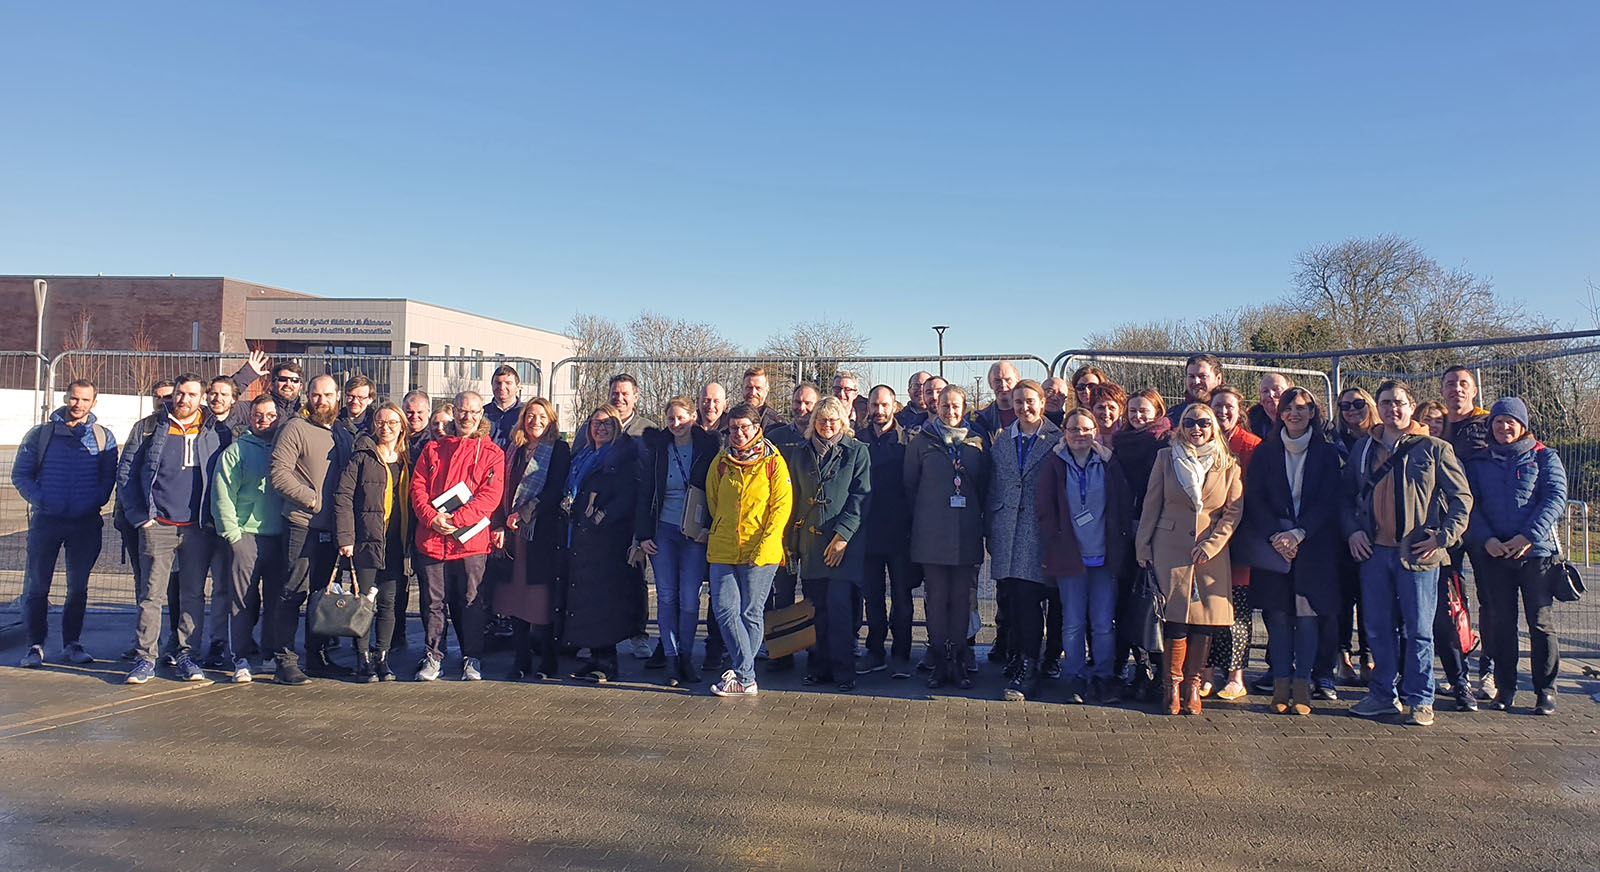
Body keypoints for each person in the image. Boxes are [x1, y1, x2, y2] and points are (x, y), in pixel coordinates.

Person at [1343, 379, 1472, 727]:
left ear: (1411, 406)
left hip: (1418, 555)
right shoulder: (1364, 450)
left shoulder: (1434, 449)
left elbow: (1462, 499)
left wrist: (1443, 537)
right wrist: (1353, 532)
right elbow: (1344, 498)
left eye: (1398, 402)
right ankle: (1383, 695)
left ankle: (1420, 699)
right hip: (1373, 553)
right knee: (1378, 628)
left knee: (1419, 630)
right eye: (1385, 403)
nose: (1392, 409)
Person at [118, 373, 234, 684]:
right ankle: (145, 659)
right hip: (158, 526)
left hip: (197, 528)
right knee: (151, 596)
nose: (184, 400)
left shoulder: (216, 431)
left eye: (192, 395)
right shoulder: (148, 428)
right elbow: (126, 472)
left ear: (202, 399)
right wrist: (139, 515)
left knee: (192, 595)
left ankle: (187, 655)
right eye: (180, 394)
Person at [1238, 387, 1342, 715]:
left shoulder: (1326, 453)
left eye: (1301, 408)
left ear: (1313, 413)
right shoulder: (1266, 453)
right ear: (1279, 414)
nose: (1293, 413)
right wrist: (1276, 535)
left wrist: (1298, 533)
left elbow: (1330, 501)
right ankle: (1280, 688)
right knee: (1278, 617)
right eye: (1288, 408)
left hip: (1313, 547)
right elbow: (1254, 498)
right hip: (1274, 548)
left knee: (1307, 618)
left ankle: (1302, 687)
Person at [1135, 402, 1243, 715]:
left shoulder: (1229, 464)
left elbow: (1232, 513)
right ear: (1182, 426)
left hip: (1209, 554)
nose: (1197, 428)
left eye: (1204, 423)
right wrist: (1143, 547)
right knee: (1175, 622)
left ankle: (1193, 686)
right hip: (1169, 548)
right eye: (1191, 422)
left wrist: (1212, 545)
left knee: (1203, 624)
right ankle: (1172, 687)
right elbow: (1151, 504)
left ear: (1214, 428)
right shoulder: (1166, 458)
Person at [1464, 397, 1566, 715]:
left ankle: (1545, 691)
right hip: (1495, 555)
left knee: (1540, 624)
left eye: (1510, 421)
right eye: (1498, 421)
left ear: (1522, 425)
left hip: (1536, 555)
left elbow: (1555, 498)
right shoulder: (1478, 463)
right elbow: (1470, 504)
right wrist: (1487, 539)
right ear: (1490, 425)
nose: (1504, 427)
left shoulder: (1544, 456)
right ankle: (1505, 688)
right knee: (1502, 623)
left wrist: (1528, 536)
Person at [15, 379, 117, 669]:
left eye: (85, 400)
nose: (78, 405)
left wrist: (95, 501)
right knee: (38, 587)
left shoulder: (102, 437)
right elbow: (21, 475)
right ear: (65, 398)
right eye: (74, 399)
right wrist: (41, 499)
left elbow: (108, 476)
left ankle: (72, 643)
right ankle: (34, 646)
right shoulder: (40, 435)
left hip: (85, 524)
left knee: (78, 588)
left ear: (94, 403)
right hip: (46, 522)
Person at [1037, 408, 1133, 705]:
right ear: (1064, 433)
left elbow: (1121, 505)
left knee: (1103, 623)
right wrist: (1057, 540)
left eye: (1086, 429)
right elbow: (1045, 508)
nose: (1081, 435)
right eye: (1074, 429)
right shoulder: (1054, 464)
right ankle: (1075, 676)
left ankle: (1103, 677)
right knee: (1073, 622)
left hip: (1103, 557)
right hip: (1070, 558)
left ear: (1096, 432)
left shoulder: (1108, 464)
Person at [409, 391, 506, 682]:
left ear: (481, 415)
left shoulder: (492, 454)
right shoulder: (433, 450)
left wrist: (456, 520)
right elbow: (418, 487)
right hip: (432, 539)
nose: (468, 417)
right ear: (454, 413)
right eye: (463, 411)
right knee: (432, 602)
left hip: (470, 543)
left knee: (471, 601)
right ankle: (433, 655)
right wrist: (431, 518)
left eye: (474, 412)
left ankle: (471, 657)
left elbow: (490, 496)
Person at [266, 374, 354, 685]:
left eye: (327, 395)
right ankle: (285, 661)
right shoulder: (295, 428)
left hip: (334, 530)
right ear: (308, 396)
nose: (321, 401)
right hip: (302, 526)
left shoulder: (343, 433)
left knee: (321, 597)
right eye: (316, 395)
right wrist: (312, 499)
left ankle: (316, 658)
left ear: (337, 396)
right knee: (293, 592)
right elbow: (278, 473)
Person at [782, 397, 871, 691]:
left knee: (840, 610)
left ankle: (844, 671)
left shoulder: (857, 452)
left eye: (833, 420)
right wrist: (791, 543)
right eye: (822, 420)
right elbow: (793, 500)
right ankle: (818, 667)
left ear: (842, 422)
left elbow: (861, 496)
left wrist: (843, 536)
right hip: (810, 543)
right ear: (813, 422)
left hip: (842, 544)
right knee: (815, 608)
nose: (827, 425)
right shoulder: (800, 454)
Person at [705, 403, 793, 697]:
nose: (739, 434)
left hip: (760, 550)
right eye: (733, 428)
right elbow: (713, 500)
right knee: (724, 609)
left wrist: (766, 544)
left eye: (745, 427)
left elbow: (781, 509)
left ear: (758, 429)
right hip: (724, 548)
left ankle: (743, 675)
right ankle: (745, 672)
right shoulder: (721, 461)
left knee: (751, 613)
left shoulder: (773, 463)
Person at [907, 385, 991, 690]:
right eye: (945, 406)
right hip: (931, 533)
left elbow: (984, 484)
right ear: (936, 407)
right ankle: (939, 661)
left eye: (956, 406)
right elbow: (910, 484)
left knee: (961, 600)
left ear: (965, 407)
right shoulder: (922, 442)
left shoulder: (978, 442)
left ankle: (958, 660)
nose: (950, 412)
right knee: (937, 598)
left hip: (966, 530)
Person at [984, 380, 1062, 702]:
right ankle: (1017, 656)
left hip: (1038, 530)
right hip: (1007, 530)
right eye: (1018, 402)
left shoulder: (1056, 440)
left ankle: (1032, 665)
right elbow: (994, 486)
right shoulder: (1002, 441)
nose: (1024, 407)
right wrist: (991, 526)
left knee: (1031, 600)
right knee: (1012, 599)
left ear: (1042, 403)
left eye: (1030, 401)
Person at [636, 397, 719, 686]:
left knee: (689, 598)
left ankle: (687, 656)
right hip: (664, 530)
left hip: (694, 532)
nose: (676, 424)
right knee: (667, 596)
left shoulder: (708, 448)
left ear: (693, 417)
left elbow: (715, 492)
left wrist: (707, 528)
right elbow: (645, 491)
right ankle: (670, 658)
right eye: (671, 419)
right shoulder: (658, 448)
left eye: (681, 418)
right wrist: (643, 534)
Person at [491, 398, 571, 681]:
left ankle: (548, 661)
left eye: (541, 416)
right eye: (530, 416)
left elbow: (554, 490)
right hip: (514, 537)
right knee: (516, 601)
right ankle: (521, 659)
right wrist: (499, 523)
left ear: (551, 420)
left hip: (541, 535)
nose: (535, 421)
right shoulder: (513, 449)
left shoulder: (559, 449)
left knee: (541, 601)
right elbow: (500, 490)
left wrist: (524, 514)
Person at [333, 402, 412, 683]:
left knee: (389, 603)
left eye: (392, 422)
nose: (386, 427)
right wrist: (346, 538)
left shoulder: (407, 459)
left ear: (402, 426)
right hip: (365, 542)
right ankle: (362, 659)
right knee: (363, 603)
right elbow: (342, 498)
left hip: (395, 541)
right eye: (381, 422)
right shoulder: (362, 456)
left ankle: (383, 658)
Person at [559, 404, 639, 682]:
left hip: (606, 537)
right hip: (581, 534)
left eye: (607, 423)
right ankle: (594, 655)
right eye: (596, 423)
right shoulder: (584, 454)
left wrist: (602, 517)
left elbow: (628, 495)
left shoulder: (622, 456)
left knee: (604, 599)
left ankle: (607, 661)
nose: (601, 428)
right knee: (586, 598)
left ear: (617, 426)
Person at [210, 394, 284, 683]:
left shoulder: (285, 448)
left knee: (276, 600)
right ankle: (239, 656)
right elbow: (223, 494)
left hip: (279, 536)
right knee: (242, 599)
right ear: (250, 418)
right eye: (258, 415)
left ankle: (268, 653)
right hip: (246, 536)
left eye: (270, 415)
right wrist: (233, 535)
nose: (264, 420)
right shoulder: (236, 451)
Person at [1109, 387, 1170, 700]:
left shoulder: (1166, 440)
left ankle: (1161, 671)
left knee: (1153, 605)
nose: (1137, 416)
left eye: (1144, 410)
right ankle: (1138, 666)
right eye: (1132, 411)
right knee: (1129, 602)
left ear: (1157, 411)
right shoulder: (1119, 444)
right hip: (1124, 531)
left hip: (1157, 532)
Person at [1440, 365, 1495, 702]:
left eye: (1463, 384)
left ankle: (1488, 671)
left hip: (1485, 526)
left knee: (1491, 601)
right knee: (1451, 603)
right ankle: (1456, 672)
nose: (1456, 389)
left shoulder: (1489, 423)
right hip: (1450, 530)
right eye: (1449, 384)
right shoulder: (1436, 426)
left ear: (1473, 390)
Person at [857, 385, 917, 678]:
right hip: (867, 532)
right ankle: (875, 651)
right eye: (874, 405)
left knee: (903, 599)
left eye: (884, 405)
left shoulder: (909, 442)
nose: (879, 411)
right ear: (867, 407)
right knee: (873, 597)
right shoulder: (858, 440)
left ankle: (902, 654)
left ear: (895, 406)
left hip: (901, 533)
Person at [1206, 384, 1261, 701]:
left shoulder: (1252, 445)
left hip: (1239, 539)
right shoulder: (1200, 441)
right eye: (1217, 405)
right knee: (1207, 609)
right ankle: (1207, 673)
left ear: (1239, 410)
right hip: (1205, 540)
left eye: (1228, 406)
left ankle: (1236, 676)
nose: (1222, 411)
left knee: (1236, 612)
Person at [1331, 386, 1381, 685]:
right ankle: (1343, 656)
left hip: (1377, 530)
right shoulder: (1335, 441)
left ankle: (1368, 656)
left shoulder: (1383, 439)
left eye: (1358, 403)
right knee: (1343, 598)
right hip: (1342, 529)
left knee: (1371, 599)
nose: (1351, 410)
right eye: (1344, 406)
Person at [395, 389, 433, 652]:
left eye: (420, 413)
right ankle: (396, 635)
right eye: (410, 412)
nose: (415, 417)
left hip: (426, 519)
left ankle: (431, 641)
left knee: (427, 584)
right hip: (397, 517)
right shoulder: (394, 437)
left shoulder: (436, 440)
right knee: (396, 581)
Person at [967, 360, 1021, 447]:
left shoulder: (1030, 416)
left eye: (1008, 380)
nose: (1003, 385)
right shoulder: (979, 419)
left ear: (1017, 381)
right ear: (990, 384)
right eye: (997, 380)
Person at [1165, 354, 1224, 430]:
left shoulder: (1228, 414)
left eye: (1203, 376)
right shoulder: (1174, 415)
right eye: (1191, 376)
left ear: (1218, 378)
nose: (1196, 381)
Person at [766, 382, 819, 449]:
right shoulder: (774, 438)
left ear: (817, 405)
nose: (801, 408)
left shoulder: (823, 439)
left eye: (807, 403)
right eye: (798, 402)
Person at [485, 364, 524, 450]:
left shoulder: (525, 413)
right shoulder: (481, 413)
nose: (502, 387)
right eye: (498, 383)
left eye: (508, 383)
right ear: (492, 385)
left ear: (518, 387)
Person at [739, 366, 788, 431]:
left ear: (767, 390)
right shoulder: (729, 420)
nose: (753, 393)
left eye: (758, 388)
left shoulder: (776, 425)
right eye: (749, 388)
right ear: (742, 388)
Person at [1247, 373, 1291, 438]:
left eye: (1277, 389)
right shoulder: (1249, 425)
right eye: (1265, 391)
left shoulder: (1302, 421)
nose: (1270, 394)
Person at [1088, 382, 1127, 449]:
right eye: (1100, 407)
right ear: (1092, 409)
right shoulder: (1085, 436)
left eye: (1112, 408)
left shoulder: (1128, 435)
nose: (1106, 413)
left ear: (1121, 410)